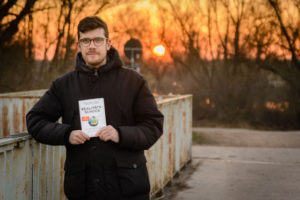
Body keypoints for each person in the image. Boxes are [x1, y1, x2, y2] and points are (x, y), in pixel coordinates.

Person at [26, 16, 164, 200]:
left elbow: (153, 125)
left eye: (97, 40)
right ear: (79, 46)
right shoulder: (63, 85)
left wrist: (120, 134)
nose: (92, 46)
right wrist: (66, 134)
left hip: (128, 188)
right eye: (86, 40)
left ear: (108, 44)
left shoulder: (134, 82)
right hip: (83, 189)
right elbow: (35, 120)